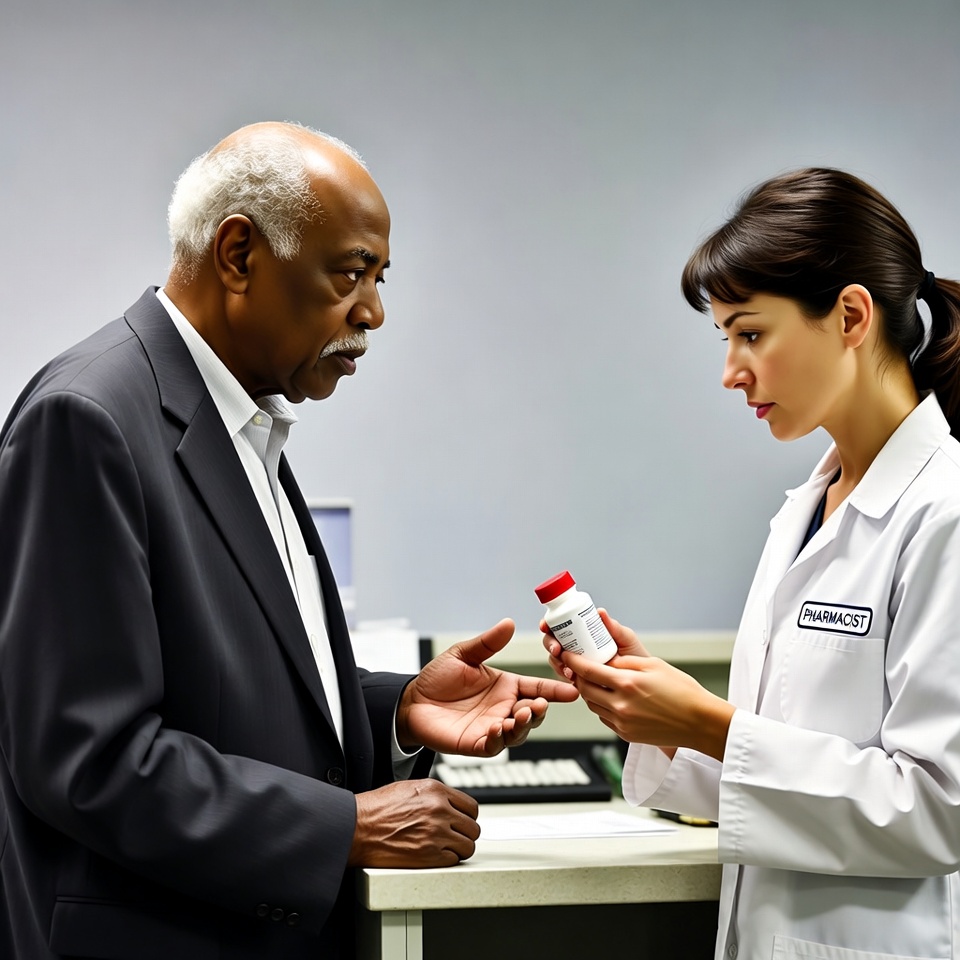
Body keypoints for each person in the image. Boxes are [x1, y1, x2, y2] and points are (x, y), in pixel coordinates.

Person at [0, 121, 579, 960]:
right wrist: (342, 825)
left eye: (380, 277)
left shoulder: (242, 421)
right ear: (238, 256)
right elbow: (85, 758)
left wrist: (396, 710)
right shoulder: (87, 420)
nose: (374, 312)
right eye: (351, 273)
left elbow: (231, 688)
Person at [544, 167, 960, 960]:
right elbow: (770, 778)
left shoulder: (945, 515)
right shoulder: (806, 511)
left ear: (850, 315)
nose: (731, 371)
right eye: (725, 338)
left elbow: (938, 811)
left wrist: (708, 722)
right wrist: (659, 725)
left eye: (750, 333)